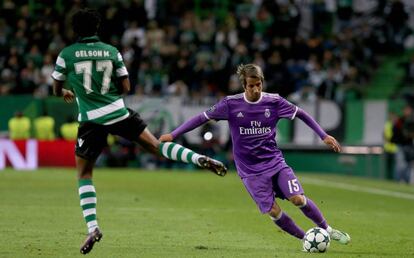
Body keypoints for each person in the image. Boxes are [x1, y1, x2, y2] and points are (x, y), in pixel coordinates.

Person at [51, 9, 227, 255]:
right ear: (97, 28)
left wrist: (69, 92)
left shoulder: (66, 55)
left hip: (91, 121)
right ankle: (198, 157)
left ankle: (92, 227)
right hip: (118, 112)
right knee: (156, 145)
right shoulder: (112, 51)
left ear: (75, 30)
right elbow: (125, 86)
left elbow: (56, 88)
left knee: (84, 172)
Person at [160, 64, 351, 248]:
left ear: (262, 82)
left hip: (275, 163)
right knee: (273, 211)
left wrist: (323, 135)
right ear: (244, 86)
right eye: (251, 86)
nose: (255, 89)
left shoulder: (274, 102)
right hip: (250, 171)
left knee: (298, 199)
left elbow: (301, 114)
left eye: (258, 84)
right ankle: (306, 239)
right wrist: (173, 135)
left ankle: (328, 229)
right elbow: (201, 118)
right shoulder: (230, 104)